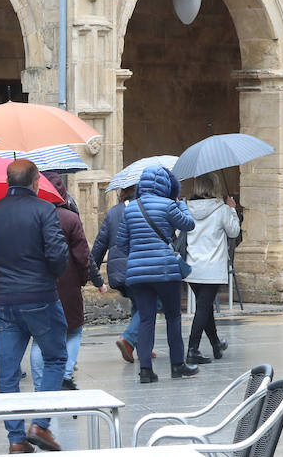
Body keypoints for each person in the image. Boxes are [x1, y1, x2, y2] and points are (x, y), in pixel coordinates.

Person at [0, 160, 68, 454]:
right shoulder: (44, 210)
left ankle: (15, 439)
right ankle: (40, 425)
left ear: (7, 182)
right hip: (40, 296)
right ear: (36, 182)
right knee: (54, 358)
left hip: (4, 300)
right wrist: (51, 274)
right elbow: (57, 254)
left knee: (8, 373)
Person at [117, 166, 197, 383]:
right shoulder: (169, 205)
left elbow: (121, 244)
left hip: (137, 274)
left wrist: (138, 254)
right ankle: (178, 366)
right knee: (173, 316)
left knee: (145, 319)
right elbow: (189, 225)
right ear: (166, 184)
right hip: (165, 270)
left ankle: (145, 371)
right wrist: (182, 205)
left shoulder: (131, 209)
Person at [29, 173, 90, 391]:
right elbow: (83, 255)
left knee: (40, 336)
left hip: (39, 283)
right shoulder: (70, 218)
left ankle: (39, 383)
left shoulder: (32, 216)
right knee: (73, 330)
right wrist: (83, 279)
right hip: (69, 282)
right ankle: (65, 375)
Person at [182, 174, 240, 365]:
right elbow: (234, 232)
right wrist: (232, 210)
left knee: (205, 308)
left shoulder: (186, 208)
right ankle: (192, 349)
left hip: (191, 267)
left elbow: (177, 232)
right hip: (212, 268)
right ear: (214, 187)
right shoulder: (221, 209)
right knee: (203, 308)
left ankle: (216, 344)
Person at [90, 187, 141, 363]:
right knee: (150, 304)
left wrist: (92, 271)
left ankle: (142, 346)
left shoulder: (113, 212)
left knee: (139, 303)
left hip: (117, 271)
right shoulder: (142, 208)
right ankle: (128, 339)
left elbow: (99, 243)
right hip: (138, 267)